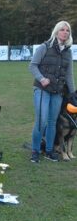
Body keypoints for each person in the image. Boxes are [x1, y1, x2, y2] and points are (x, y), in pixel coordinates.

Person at [29, 20, 75, 163]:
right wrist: (41, 79)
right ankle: (35, 151)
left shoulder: (68, 52)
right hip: (42, 89)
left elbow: (69, 74)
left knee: (52, 122)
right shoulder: (44, 47)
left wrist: (72, 93)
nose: (65, 32)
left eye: (67, 30)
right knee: (41, 122)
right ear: (56, 31)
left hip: (58, 92)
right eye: (62, 29)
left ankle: (49, 151)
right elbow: (32, 66)